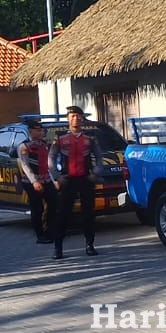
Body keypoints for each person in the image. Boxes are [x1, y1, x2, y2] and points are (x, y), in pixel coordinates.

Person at [49, 105, 102, 260]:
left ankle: (90, 245)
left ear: (82, 119)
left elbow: (99, 157)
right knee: (63, 214)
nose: (75, 119)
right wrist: (56, 176)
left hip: (86, 179)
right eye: (72, 116)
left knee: (89, 214)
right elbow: (51, 158)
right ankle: (58, 248)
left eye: (78, 116)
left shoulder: (90, 138)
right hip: (68, 180)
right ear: (68, 119)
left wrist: (95, 173)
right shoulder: (60, 138)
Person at [17, 119, 57, 244]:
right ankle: (40, 235)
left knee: (54, 204)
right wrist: (34, 181)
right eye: (38, 130)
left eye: (41, 130)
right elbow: (25, 165)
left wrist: (54, 179)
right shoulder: (24, 146)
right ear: (30, 131)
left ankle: (50, 231)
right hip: (31, 182)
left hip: (46, 179)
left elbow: (49, 164)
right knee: (37, 208)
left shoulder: (44, 144)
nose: (41, 133)